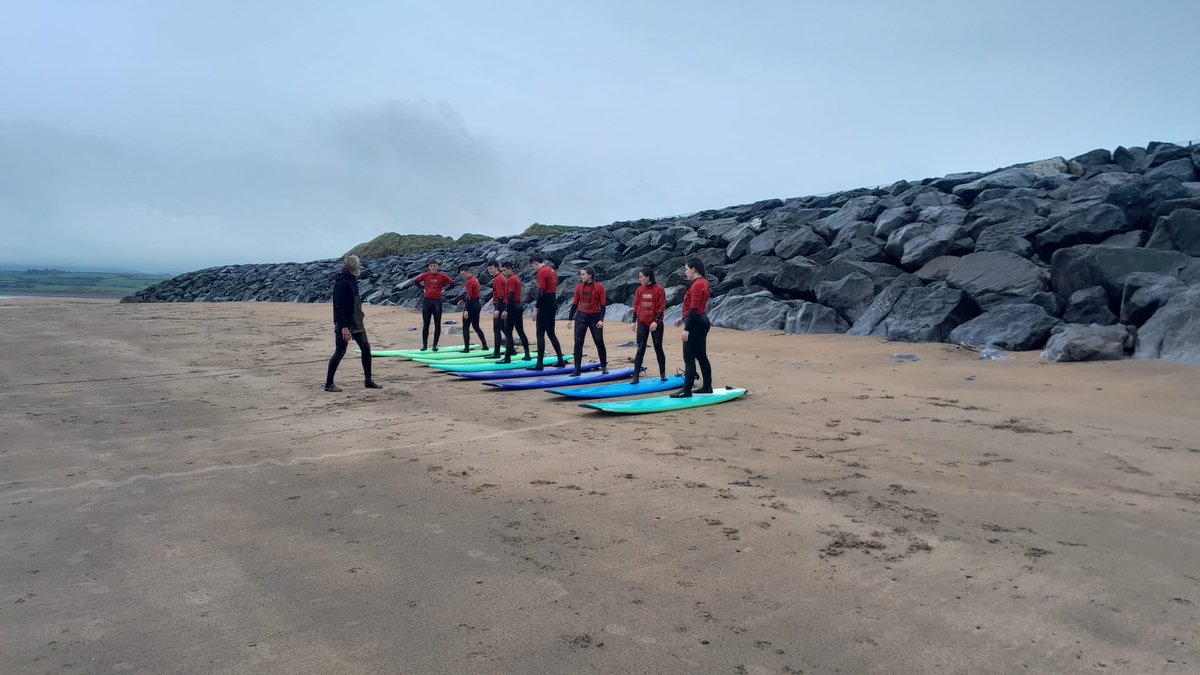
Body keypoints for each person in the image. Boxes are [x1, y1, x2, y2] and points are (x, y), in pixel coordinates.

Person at [324, 255, 382, 392]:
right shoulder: (342, 283)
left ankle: (368, 380)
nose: (360, 267)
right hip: (344, 324)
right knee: (340, 352)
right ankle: (328, 384)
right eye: (358, 265)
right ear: (353, 267)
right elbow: (339, 306)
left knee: (366, 349)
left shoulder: (352, 279)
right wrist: (344, 327)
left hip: (356, 322)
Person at [672, 257, 713, 398]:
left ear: (693, 270)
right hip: (701, 322)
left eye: (686, 269)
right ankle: (707, 386)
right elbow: (697, 308)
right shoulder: (704, 282)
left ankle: (686, 390)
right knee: (701, 356)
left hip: (695, 324)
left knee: (688, 357)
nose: (685, 272)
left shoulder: (696, 285)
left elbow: (694, 310)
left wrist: (686, 328)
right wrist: (682, 319)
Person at [567, 266, 608, 376]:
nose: (581, 276)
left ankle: (604, 367)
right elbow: (575, 303)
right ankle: (577, 370)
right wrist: (570, 319)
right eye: (581, 274)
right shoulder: (579, 287)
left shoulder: (599, 287)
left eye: (583, 274)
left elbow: (603, 305)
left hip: (595, 317)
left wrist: (601, 320)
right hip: (581, 316)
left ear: (590, 275)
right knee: (578, 342)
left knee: (599, 341)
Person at [630, 267, 667, 385]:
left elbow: (661, 307)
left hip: (656, 323)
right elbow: (636, 306)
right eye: (639, 277)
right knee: (640, 349)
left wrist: (656, 321)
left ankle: (663, 374)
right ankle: (635, 377)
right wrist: (633, 321)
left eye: (641, 277)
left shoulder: (659, 289)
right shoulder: (640, 290)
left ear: (648, 277)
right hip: (642, 323)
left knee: (658, 347)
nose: (639, 279)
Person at [529, 255, 566, 370]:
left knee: (540, 332)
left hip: (545, 303)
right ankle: (560, 360)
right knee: (551, 332)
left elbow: (542, 292)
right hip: (553, 302)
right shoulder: (552, 270)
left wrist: (536, 308)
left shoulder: (542, 272)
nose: (533, 268)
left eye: (532, 266)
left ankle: (539, 363)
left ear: (535, 263)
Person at [412, 259, 455, 351]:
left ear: (438, 267)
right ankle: (424, 346)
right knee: (426, 324)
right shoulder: (425, 275)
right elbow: (416, 281)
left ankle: (435, 345)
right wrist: (422, 288)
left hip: (437, 302)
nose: (433, 268)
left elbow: (453, 284)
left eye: (435, 266)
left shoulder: (442, 276)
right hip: (427, 302)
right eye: (431, 266)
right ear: (429, 267)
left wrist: (445, 290)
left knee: (437, 324)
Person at [497, 261, 532, 364]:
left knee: (508, 333)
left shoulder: (511, 280)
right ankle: (527, 355)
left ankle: (507, 358)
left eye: (503, 270)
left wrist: (506, 310)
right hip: (518, 306)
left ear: (508, 269)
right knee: (520, 331)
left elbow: (511, 295)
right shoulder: (516, 278)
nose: (503, 273)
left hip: (512, 307)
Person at [456, 264, 489, 354]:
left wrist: (466, 310)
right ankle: (485, 346)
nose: (462, 276)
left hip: (471, 306)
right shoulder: (475, 279)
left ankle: (466, 348)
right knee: (476, 327)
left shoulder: (469, 282)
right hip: (477, 305)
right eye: (461, 274)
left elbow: (470, 297)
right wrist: (463, 300)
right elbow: (471, 295)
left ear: (468, 272)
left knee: (465, 327)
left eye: (463, 274)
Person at [485, 262, 507, 359]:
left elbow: (501, 295)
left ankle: (497, 353)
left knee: (497, 329)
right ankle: (511, 349)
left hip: (500, 306)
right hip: (502, 306)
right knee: (504, 329)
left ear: (497, 268)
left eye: (492, 268)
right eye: (489, 268)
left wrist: (497, 309)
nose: (490, 270)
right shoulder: (501, 277)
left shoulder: (498, 279)